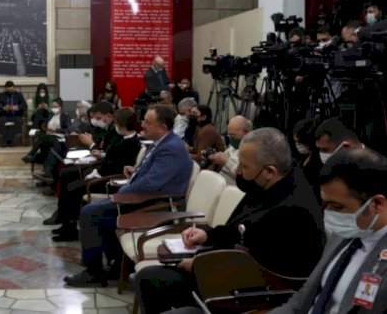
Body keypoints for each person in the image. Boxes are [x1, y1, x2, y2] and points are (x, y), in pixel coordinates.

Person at [135, 128, 325, 313]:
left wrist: (200, 265)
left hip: (251, 291)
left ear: (269, 171)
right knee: (147, 277)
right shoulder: (270, 184)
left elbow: (260, 266)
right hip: (230, 269)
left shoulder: (293, 211)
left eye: (244, 166)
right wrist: (207, 236)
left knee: (152, 280)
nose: (238, 172)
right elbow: (241, 229)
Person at [64, 104, 193, 287]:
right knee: (95, 211)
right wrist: (135, 173)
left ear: (162, 127)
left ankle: (93, 273)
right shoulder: (162, 143)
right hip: (146, 199)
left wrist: (123, 192)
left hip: (157, 206)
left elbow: (151, 184)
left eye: (148, 122)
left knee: (90, 213)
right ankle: (116, 266)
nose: (142, 125)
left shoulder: (170, 148)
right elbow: (153, 175)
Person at [269, 148, 387, 313]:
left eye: (338, 206)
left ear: (377, 204)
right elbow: (301, 301)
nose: (329, 213)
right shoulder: (344, 234)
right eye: (325, 203)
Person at [50, 107, 141, 242]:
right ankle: (65, 224)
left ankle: (70, 229)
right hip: (105, 173)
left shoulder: (130, 143)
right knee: (68, 178)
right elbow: (112, 159)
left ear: (120, 124)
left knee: (73, 188)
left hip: (109, 181)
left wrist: (95, 173)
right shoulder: (123, 140)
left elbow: (115, 166)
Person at [23, 97, 70, 164]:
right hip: (49, 135)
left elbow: (68, 129)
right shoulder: (50, 114)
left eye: (55, 106)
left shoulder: (65, 116)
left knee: (42, 139)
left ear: (60, 106)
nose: (54, 108)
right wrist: (43, 127)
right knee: (43, 142)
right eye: (53, 106)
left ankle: (31, 155)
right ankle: (34, 157)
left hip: (59, 137)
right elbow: (45, 124)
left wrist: (56, 130)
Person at [207, 115, 252, 184]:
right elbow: (223, 157)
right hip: (219, 181)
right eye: (229, 135)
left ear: (246, 133)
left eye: (233, 135)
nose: (231, 138)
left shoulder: (253, 152)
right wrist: (215, 158)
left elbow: (245, 178)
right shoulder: (234, 146)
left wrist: (226, 162)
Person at [293, 118, 322, 201]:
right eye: (295, 142)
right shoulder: (303, 157)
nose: (297, 145)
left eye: (299, 142)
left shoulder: (318, 161)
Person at [0, 80, 27, 147]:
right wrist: (3, 107)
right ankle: (8, 140)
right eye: (8, 90)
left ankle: (9, 140)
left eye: (11, 90)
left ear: (14, 88)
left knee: (19, 121)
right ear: (5, 89)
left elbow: (24, 106)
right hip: (4, 114)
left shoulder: (19, 95)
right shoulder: (1, 95)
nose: (10, 91)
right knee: (0, 121)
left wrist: (16, 107)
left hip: (15, 114)